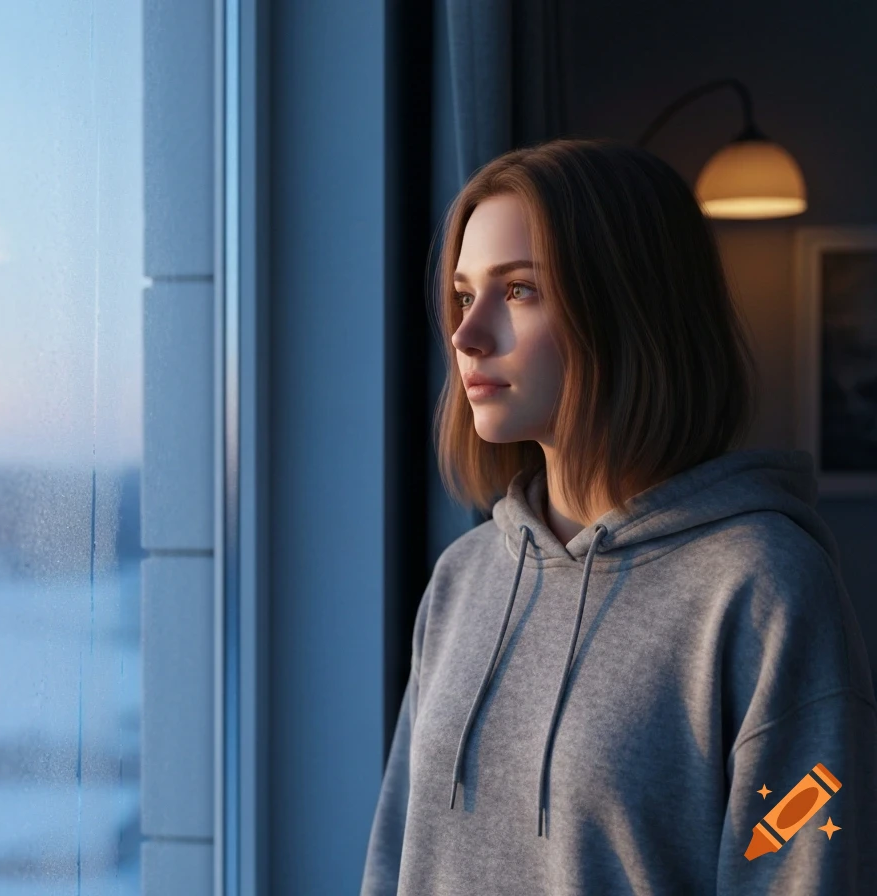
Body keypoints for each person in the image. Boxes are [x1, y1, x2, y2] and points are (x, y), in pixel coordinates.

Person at [360, 137, 877, 895]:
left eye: (519, 291)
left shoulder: (763, 588)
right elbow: (394, 862)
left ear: (626, 307)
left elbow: (802, 869)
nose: (466, 337)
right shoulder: (465, 578)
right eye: (465, 296)